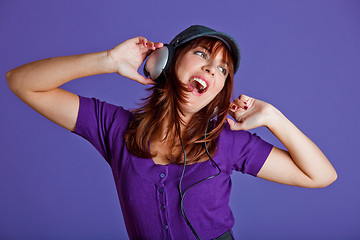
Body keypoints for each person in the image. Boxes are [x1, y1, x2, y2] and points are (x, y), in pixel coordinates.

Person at [6, 25, 337, 240]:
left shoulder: (229, 141)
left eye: (223, 69)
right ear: (165, 60)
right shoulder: (115, 127)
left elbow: (321, 175)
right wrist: (107, 60)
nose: (212, 68)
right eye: (202, 54)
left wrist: (274, 118)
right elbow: (21, 82)